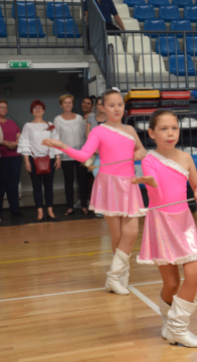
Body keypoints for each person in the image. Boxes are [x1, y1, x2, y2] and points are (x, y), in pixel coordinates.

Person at [44, 88, 147, 295]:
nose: (117, 109)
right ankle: (120, 275)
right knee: (117, 235)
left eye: (120, 104)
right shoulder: (98, 131)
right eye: (111, 105)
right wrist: (62, 146)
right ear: (102, 107)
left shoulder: (130, 130)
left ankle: (113, 276)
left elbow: (141, 150)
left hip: (129, 184)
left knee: (132, 231)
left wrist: (141, 152)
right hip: (109, 184)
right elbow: (84, 156)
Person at [133, 110, 197, 348]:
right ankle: (167, 319)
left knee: (195, 273)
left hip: (184, 221)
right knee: (172, 284)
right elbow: (157, 191)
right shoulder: (149, 161)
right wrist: (149, 182)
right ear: (152, 133)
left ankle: (178, 327)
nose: (170, 133)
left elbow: (196, 183)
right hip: (161, 223)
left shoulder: (186, 158)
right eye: (164, 129)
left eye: (174, 128)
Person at [18, 100, 62, 223]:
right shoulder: (27, 125)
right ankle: (40, 213)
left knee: (49, 186)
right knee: (36, 186)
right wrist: (26, 161)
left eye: (40, 108)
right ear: (31, 111)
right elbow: (24, 143)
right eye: (35, 108)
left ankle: (50, 211)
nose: (37, 110)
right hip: (33, 159)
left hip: (50, 158)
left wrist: (58, 157)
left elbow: (55, 141)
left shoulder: (50, 124)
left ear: (44, 110)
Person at [54, 94, 90, 216]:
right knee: (68, 181)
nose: (68, 104)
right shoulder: (57, 119)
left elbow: (85, 135)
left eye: (70, 102)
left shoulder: (80, 118)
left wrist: (86, 153)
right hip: (66, 155)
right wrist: (58, 156)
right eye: (65, 102)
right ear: (61, 105)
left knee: (82, 180)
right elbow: (56, 138)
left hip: (80, 153)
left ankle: (84, 205)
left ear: (73, 104)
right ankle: (70, 207)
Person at [0, 99, 21, 217]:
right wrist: (5, 143)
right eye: (1, 107)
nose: (4, 109)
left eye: (6, 107)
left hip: (15, 156)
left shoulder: (12, 122)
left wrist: (16, 143)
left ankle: (15, 210)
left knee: (14, 184)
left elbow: (19, 134)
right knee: (0, 184)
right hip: (0, 157)